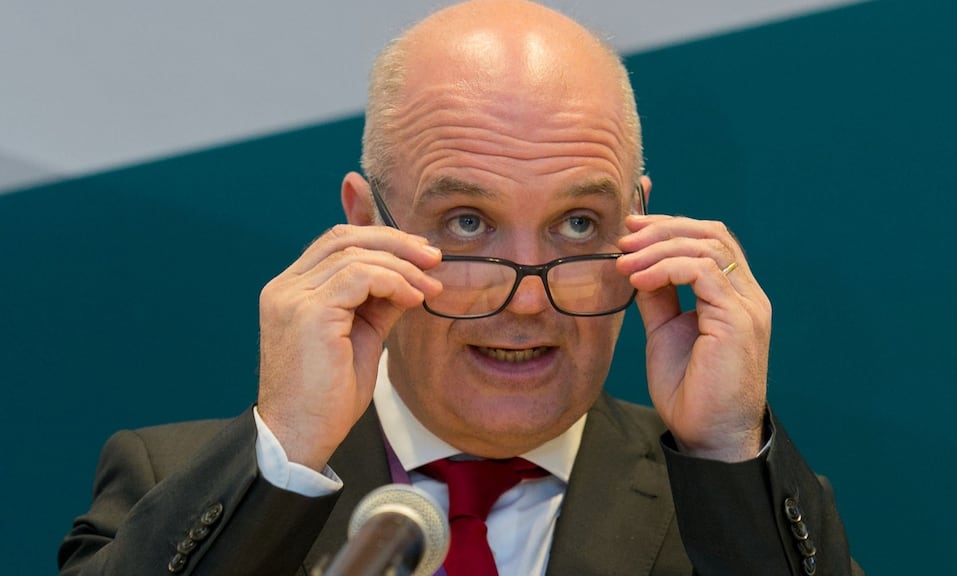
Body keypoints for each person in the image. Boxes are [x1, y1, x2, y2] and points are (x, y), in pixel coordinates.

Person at [58, 1, 861, 574]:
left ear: (640, 230)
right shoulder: (176, 483)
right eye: (468, 223)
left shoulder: (742, 516)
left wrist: (723, 453)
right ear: (364, 225)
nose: (527, 300)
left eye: (579, 224)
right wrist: (288, 456)